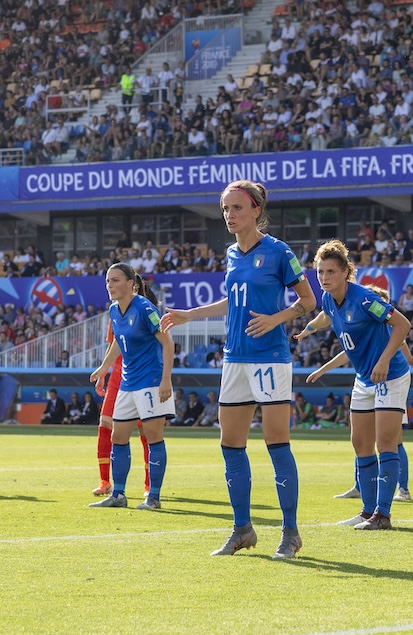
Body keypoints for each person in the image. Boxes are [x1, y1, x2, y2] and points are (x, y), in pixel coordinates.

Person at [161, 180, 317, 558]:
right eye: (225, 209)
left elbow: (308, 300)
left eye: (237, 208)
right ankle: (242, 529)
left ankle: (290, 534)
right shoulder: (231, 254)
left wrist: (275, 319)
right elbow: (231, 303)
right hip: (235, 359)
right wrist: (188, 315)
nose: (230, 215)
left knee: (276, 443)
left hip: (270, 359)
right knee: (230, 444)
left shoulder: (279, 252)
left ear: (256, 211)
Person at [299, 239, 411, 531]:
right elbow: (327, 316)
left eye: (330, 272)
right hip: (363, 378)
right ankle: (366, 512)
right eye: (320, 272)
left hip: (390, 375)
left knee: (386, 443)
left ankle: (383, 515)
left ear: (346, 271)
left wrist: (384, 361)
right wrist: (309, 328)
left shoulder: (364, 299)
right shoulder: (327, 298)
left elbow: (402, 324)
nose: (324, 277)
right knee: (360, 443)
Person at [88, 263, 175, 511]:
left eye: (115, 281)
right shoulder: (114, 310)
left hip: (150, 382)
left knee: (153, 437)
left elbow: (168, 344)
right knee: (118, 436)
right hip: (127, 383)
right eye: (107, 281)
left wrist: (165, 379)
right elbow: (117, 341)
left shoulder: (146, 309)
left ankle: (154, 497)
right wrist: (103, 368)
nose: (110, 286)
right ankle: (118, 494)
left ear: (130, 284)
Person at [91, 321, 151, 498]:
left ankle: (149, 484)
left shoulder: (145, 310)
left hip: (139, 376)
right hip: (117, 376)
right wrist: (103, 373)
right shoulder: (114, 313)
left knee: (145, 429)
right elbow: (112, 345)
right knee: (104, 424)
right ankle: (104, 481)